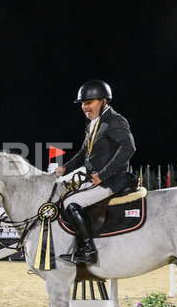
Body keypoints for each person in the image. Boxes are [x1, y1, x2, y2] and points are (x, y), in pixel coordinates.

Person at [54, 80, 136, 264]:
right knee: (64, 196)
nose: (85, 107)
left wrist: (103, 175)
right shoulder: (93, 123)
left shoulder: (115, 120)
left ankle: (88, 251)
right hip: (96, 179)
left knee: (71, 204)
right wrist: (66, 168)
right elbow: (84, 153)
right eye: (83, 103)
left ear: (104, 102)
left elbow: (128, 148)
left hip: (113, 180)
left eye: (89, 102)